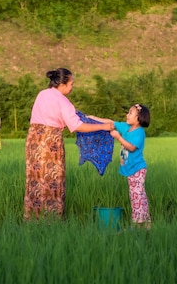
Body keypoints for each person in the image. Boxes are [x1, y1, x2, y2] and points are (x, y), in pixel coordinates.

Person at [24, 68, 114, 221]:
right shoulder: (63, 101)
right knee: (53, 179)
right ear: (63, 84)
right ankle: (51, 221)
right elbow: (77, 126)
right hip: (50, 144)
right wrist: (102, 126)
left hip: (33, 142)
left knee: (35, 179)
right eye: (71, 84)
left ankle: (33, 218)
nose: (72, 87)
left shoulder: (42, 94)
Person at [88, 104, 152, 229]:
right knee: (140, 196)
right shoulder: (126, 127)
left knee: (136, 197)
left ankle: (137, 225)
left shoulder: (139, 132)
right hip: (131, 169)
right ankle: (147, 225)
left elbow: (131, 147)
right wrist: (93, 118)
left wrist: (118, 137)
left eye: (130, 113)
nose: (127, 115)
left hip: (137, 169)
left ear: (138, 118)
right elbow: (111, 123)